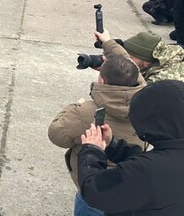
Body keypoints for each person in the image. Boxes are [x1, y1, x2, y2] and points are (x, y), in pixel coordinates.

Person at [48, 54, 146, 216]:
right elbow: (134, 74)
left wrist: (74, 106)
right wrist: (118, 67)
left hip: (96, 186)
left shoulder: (86, 112)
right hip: (131, 182)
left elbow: (56, 135)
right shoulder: (147, 101)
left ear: (101, 80)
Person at [77, 80, 184, 215]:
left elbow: (94, 191)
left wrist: (92, 151)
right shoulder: (165, 161)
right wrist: (113, 145)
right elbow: (158, 162)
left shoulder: (146, 171)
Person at [96, 29, 184, 83]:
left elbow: (132, 98)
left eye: (130, 58)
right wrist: (112, 67)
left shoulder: (163, 78)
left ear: (147, 63)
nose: (124, 60)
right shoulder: (160, 57)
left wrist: (117, 74)